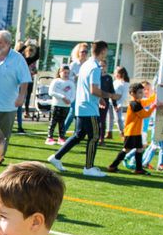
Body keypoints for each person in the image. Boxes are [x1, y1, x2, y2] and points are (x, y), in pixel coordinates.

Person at [48, 40, 114, 178]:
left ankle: (56, 157)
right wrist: (110, 95)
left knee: (78, 136)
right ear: (102, 51)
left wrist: (99, 98)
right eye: (106, 52)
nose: (106, 55)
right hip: (89, 108)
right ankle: (89, 168)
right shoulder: (95, 67)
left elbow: (86, 87)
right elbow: (93, 89)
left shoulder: (86, 64)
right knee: (94, 137)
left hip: (81, 106)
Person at [107, 82, 156, 174]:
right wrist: (153, 107)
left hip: (136, 132)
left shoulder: (139, 102)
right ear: (132, 93)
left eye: (142, 92)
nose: (142, 94)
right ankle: (112, 166)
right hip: (131, 132)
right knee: (126, 149)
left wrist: (156, 94)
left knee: (139, 149)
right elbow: (144, 115)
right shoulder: (134, 104)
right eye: (140, 92)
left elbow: (148, 101)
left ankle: (138, 169)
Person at [62, 43, 90, 134]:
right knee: (72, 112)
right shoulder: (74, 64)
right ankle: (63, 131)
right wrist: (75, 78)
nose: (84, 53)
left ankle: (76, 133)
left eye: (86, 52)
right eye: (82, 51)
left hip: (84, 92)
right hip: (74, 92)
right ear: (78, 52)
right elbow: (67, 78)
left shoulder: (88, 64)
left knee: (80, 114)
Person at [46, 66, 74, 145]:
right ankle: (49, 138)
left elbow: (73, 95)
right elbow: (51, 92)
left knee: (62, 122)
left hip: (66, 106)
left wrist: (70, 101)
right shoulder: (56, 81)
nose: (66, 74)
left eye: (68, 73)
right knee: (53, 121)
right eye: (64, 72)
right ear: (60, 72)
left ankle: (61, 138)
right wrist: (62, 97)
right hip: (56, 105)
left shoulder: (71, 83)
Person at [110, 67, 131, 138]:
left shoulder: (125, 83)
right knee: (110, 118)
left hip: (118, 103)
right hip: (111, 102)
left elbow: (124, 95)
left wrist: (119, 104)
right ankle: (109, 132)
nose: (115, 74)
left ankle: (123, 132)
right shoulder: (115, 81)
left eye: (116, 73)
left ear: (122, 74)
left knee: (118, 119)